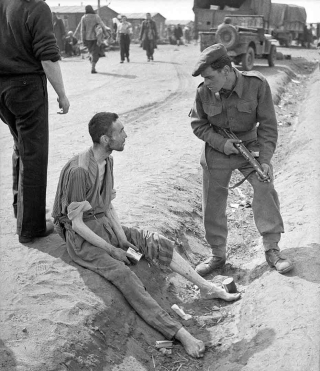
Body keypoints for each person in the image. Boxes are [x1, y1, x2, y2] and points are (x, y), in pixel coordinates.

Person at [52, 112, 240, 359]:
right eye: (120, 132)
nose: (126, 135)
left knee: (155, 243)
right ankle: (180, 333)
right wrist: (112, 249)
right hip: (81, 238)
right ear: (105, 139)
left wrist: (122, 239)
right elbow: (76, 224)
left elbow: (107, 205)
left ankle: (206, 287)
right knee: (123, 274)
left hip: (104, 225)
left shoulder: (107, 161)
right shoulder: (79, 171)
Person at [189, 44, 294, 277]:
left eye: (210, 76)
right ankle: (217, 255)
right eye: (204, 78)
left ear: (226, 70)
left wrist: (265, 159)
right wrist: (221, 144)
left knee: (264, 186)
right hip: (219, 148)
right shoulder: (203, 91)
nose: (207, 82)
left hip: (250, 147)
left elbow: (268, 126)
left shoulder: (257, 85)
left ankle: (272, 249)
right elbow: (199, 125)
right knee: (213, 201)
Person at [0, 0, 70, 243]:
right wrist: (62, 94)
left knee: (21, 148)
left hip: (3, 91)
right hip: (26, 88)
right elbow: (48, 57)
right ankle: (32, 227)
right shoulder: (36, 7)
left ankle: (23, 214)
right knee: (34, 157)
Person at [81, 5, 111, 73]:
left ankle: (92, 63)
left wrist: (83, 39)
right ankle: (93, 66)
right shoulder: (96, 16)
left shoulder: (83, 18)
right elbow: (102, 25)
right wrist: (106, 33)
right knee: (95, 52)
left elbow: (82, 30)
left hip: (87, 38)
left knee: (91, 52)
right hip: (96, 38)